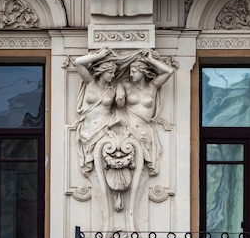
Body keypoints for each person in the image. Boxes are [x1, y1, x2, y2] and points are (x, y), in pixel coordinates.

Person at [120, 51, 175, 176]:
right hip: (129, 129)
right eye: (130, 71)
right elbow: (115, 84)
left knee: (142, 170)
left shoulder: (153, 86)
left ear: (143, 72)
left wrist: (150, 60)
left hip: (146, 130)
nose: (130, 74)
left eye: (134, 71)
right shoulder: (125, 85)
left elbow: (169, 72)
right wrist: (119, 90)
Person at [74, 47, 124, 175]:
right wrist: (99, 55)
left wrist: (120, 92)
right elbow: (78, 62)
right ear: (102, 71)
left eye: (114, 72)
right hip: (87, 131)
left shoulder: (114, 88)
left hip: (105, 129)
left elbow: (121, 106)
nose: (113, 75)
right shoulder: (90, 82)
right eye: (110, 72)